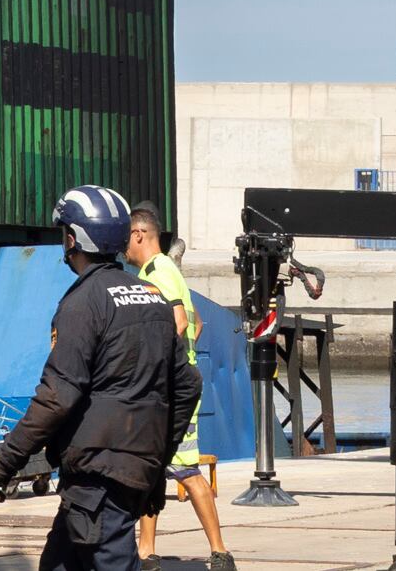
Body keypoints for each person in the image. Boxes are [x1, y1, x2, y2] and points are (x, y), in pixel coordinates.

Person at [0, 185, 201, 571]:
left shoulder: (82, 302)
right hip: (122, 476)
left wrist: (7, 461)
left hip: (98, 480)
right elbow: (187, 385)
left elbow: (57, 396)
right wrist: (155, 461)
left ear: (72, 239)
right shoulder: (151, 297)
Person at [127, 206, 231, 571]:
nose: (123, 246)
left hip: (170, 386)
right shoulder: (169, 272)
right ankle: (149, 551)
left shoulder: (156, 271)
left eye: (127, 237)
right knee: (156, 466)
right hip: (181, 379)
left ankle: (216, 552)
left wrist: (152, 364)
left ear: (139, 234)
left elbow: (180, 320)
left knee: (181, 468)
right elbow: (197, 324)